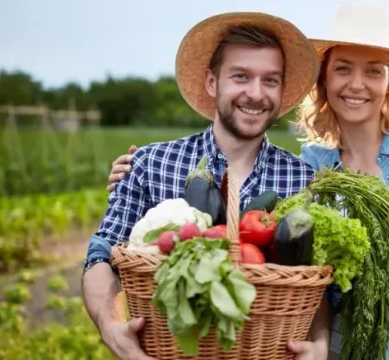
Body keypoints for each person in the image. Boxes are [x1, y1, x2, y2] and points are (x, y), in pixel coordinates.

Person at [106, 3, 389, 360]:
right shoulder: (310, 169)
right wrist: (133, 173)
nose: (357, 84)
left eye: (374, 70)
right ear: (324, 78)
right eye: (343, 68)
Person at [81, 11, 331, 360]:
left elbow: (317, 280)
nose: (256, 94)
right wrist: (110, 329)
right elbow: (100, 254)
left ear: (282, 88)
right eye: (241, 76)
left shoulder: (303, 180)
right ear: (212, 82)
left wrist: (320, 343)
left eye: (270, 80)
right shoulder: (150, 165)